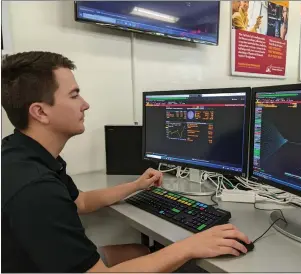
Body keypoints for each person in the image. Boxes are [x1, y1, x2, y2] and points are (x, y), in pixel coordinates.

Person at [1, 51, 252, 273]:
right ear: (40, 112)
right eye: (75, 95)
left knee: (141, 252)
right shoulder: (36, 189)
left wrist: (136, 186)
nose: (85, 104)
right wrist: (189, 247)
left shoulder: (24, 152)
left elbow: (82, 202)